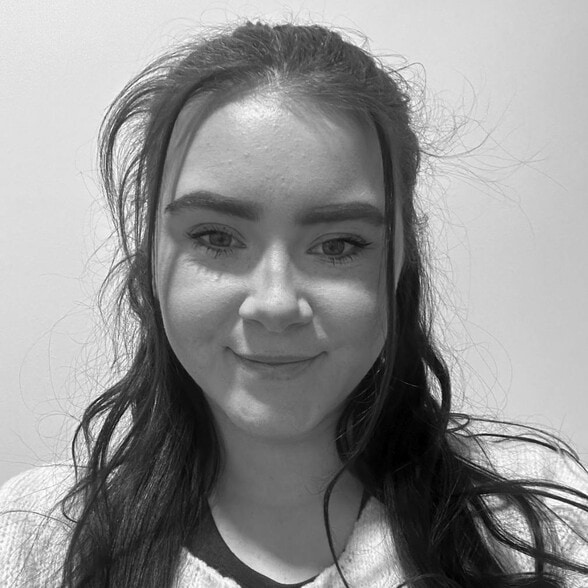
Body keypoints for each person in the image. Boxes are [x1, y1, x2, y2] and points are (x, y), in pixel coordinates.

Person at [0, 21, 587, 588]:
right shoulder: (37, 534)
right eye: (215, 237)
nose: (276, 303)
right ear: (149, 252)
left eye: (338, 245)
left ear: (403, 257)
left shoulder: (541, 523)